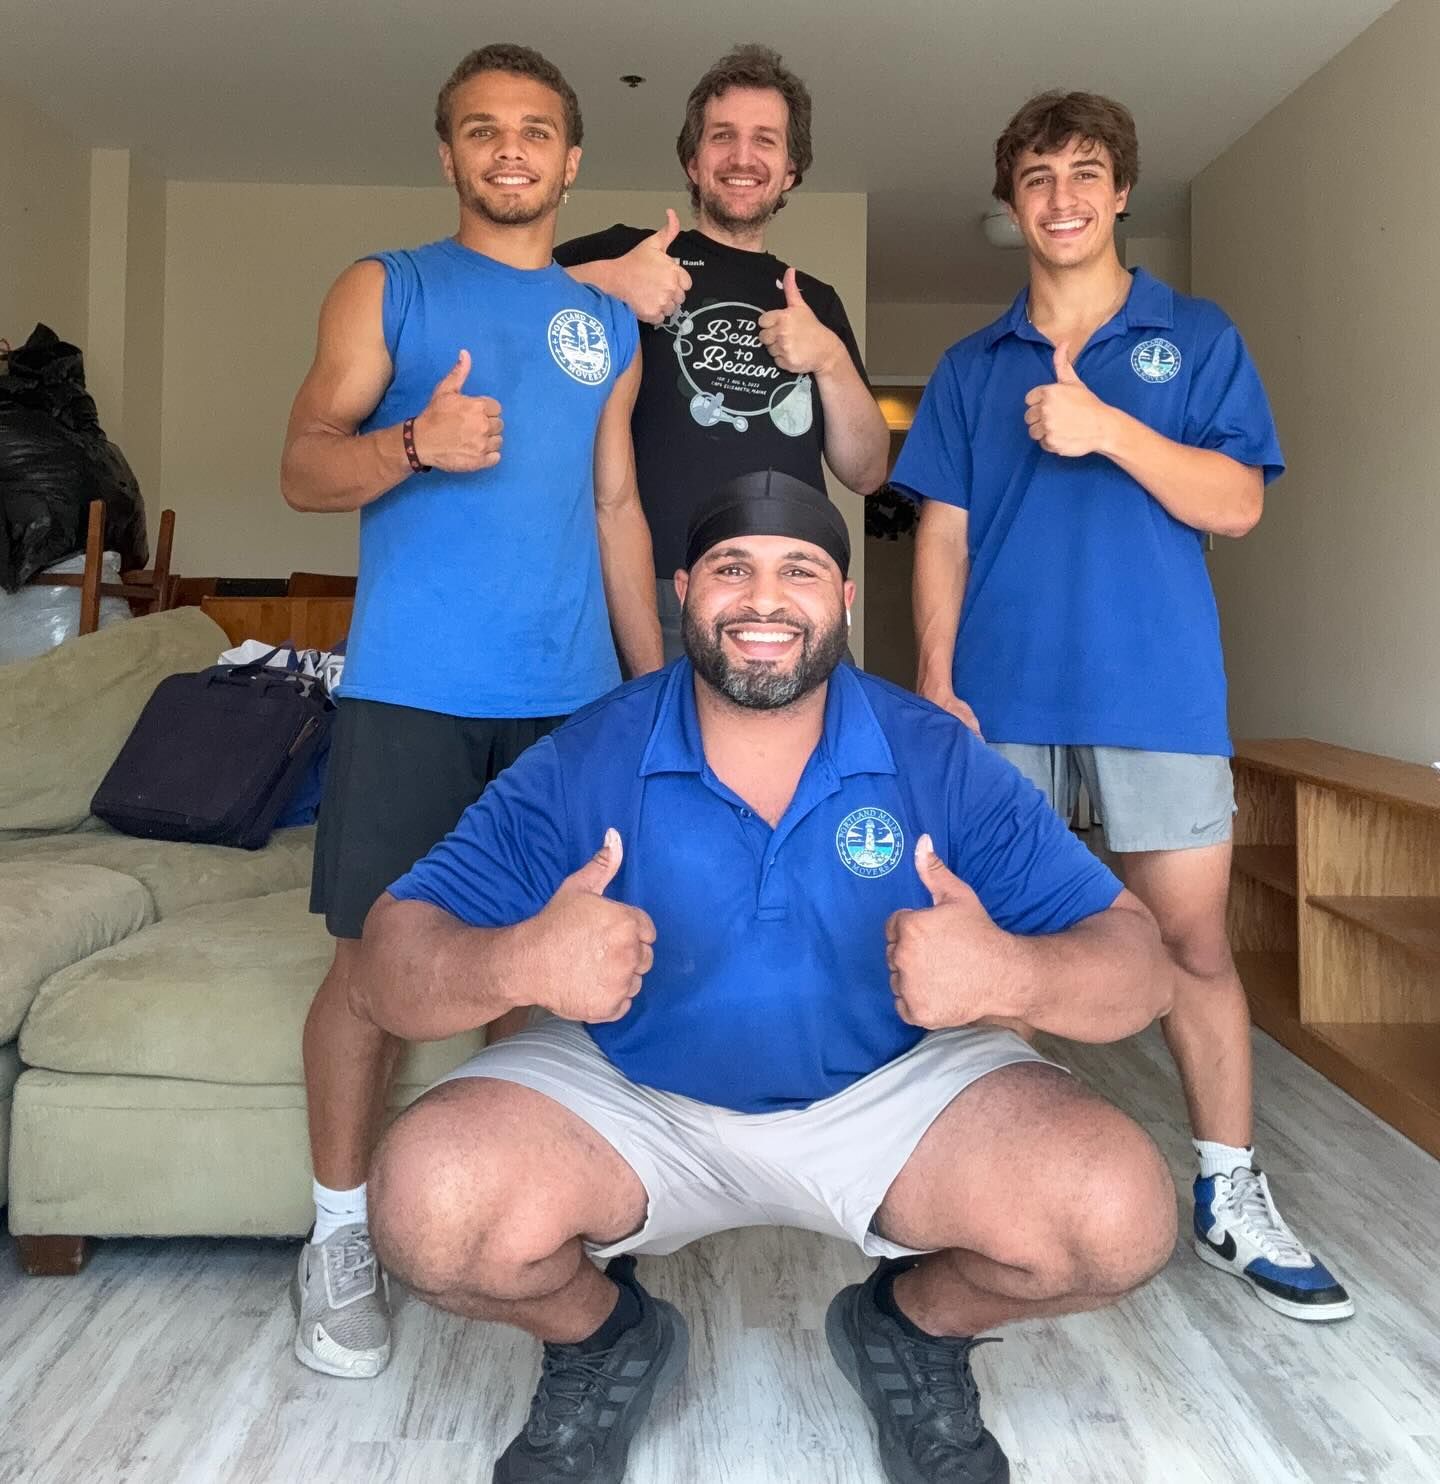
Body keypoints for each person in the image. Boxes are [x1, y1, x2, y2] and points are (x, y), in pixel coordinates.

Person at [350, 470, 1178, 1484]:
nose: (763, 599)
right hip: (634, 1094)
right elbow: (391, 959)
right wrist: (518, 959)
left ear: (844, 598)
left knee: (1118, 1215)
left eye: (800, 569)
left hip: (891, 1092)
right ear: (685, 589)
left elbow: (1139, 963)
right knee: (428, 1208)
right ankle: (603, 1336)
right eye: (731, 568)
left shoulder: (937, 757)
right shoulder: (589, 754)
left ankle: (908, 1328)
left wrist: (1010, 972)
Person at [893, 90, 1353, 1323]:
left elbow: (1239, 502)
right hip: (1002, 699)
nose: (1061, 197)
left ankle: (1230, 1191)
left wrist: (1107, 427)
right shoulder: (968, 366)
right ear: (1012, 202)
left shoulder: (1195, 338)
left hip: (1158, 692)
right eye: (1037, 176)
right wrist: (936, 677)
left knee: (1191, 945)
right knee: (1005, 955)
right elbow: (941, 529)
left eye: (1085, 172)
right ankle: (1002, 1196)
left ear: (1121, 191)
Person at [277, 43, 663, 1378]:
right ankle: (335, 1238)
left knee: (536, 975)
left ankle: (508, 1217)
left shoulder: (606, 325)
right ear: (448, 155)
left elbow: (615, 505)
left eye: (538, 129)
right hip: (412, 696)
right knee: (374, 972)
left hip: (566, 707)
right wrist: (408, 447)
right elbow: (298, 468)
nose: (512, 147)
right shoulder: (388, 285)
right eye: (484, 128)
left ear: (569, 161)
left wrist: (652, 677)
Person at [552, 44, 889, 660]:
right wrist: (605, 279)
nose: (742, 157)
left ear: (791, 169)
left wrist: (831, 359)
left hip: (791, 594)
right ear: (692, 157)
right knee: (648, 757)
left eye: (766, 140)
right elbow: (498, 292)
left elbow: (866, 472)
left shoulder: (815, 300)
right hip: (647, 592)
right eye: (722, 136)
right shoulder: (630, 251)